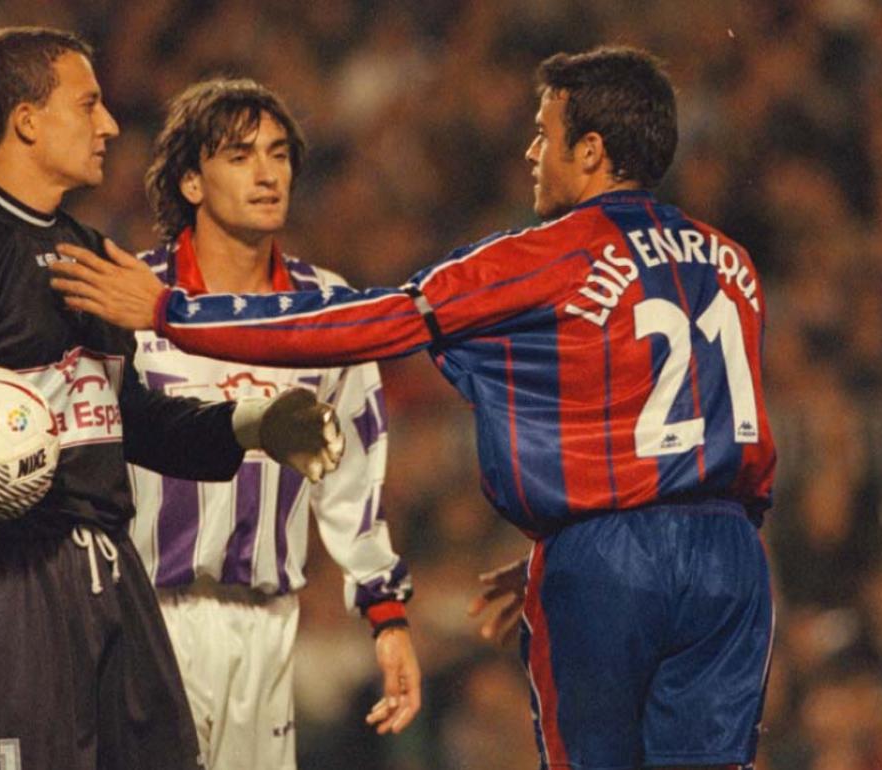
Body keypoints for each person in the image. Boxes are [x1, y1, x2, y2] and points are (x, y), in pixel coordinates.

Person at [50, 46, 777, 770]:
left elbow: (384, 320)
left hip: (604, 562)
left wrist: (172, 314)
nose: (531, 151)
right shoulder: (731, 263)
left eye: (543, 134)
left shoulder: (547, 256)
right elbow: (690, 436)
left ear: (589, 152)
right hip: (732, 556)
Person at [0, 27, 341, 770]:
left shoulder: (87, 253)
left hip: (114, 575)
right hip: (2, 586)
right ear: (26, 120)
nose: (110, 124)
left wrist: (252, 423)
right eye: (88, 104)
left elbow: (129, 420)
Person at [126, 77, 421, 770]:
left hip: (267, 623)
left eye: (279, 154)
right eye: (239, 155)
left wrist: (387, 614)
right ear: (191, 182)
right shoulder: (133, 300)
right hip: (143, 619)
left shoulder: (326, 308)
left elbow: (354, 474)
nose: (267, 172)